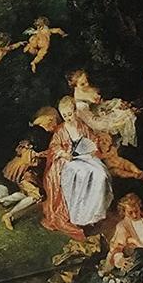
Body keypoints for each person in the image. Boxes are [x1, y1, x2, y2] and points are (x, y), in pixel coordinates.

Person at [41, 97, 113, 241]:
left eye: (70, 114)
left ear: (75, 112)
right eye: (65, 116)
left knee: (102, 175)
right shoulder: (60, 130)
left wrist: (92, 149)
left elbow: (92, 140)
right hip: (68, 162)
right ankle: (80, 216)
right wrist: (64, 153)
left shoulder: (81, 125)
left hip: (85, 158)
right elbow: (54, 147)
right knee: (82, 176)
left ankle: (94, 213)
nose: (68, 118)